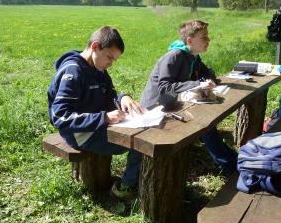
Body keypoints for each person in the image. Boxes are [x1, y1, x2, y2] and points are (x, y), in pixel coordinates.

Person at [47, 26, 143, 199]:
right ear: (95, 47)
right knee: (140, 143)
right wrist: (104, 118)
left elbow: (110, 96)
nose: (110, 64)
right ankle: (125, 187)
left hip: (96, 125)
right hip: (80, 134)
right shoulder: (73, 72)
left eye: (114, 60)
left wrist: (122, 98)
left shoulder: (99, 70)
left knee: (143, 132)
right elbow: (60, 117)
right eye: (109, 57)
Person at [140, 20, 238, 176]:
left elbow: (207, 72)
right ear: (189, 41)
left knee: (205, 118)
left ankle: (229, 161)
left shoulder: (193, 56)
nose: (208, 40)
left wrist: (207, 79)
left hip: (175, 104)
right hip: (155, 109)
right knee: (203, 121)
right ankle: (230, 164)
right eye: (204, 37)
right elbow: (165, 88)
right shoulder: (174, 56)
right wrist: (197, 83)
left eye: (207, 36)